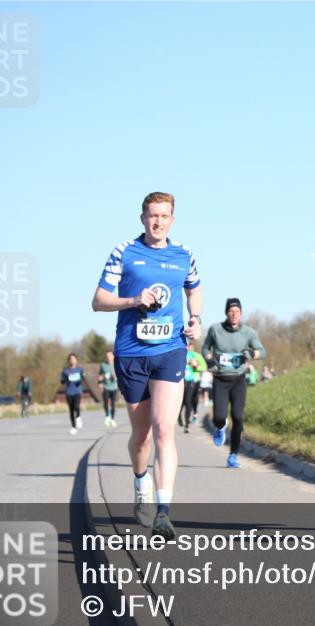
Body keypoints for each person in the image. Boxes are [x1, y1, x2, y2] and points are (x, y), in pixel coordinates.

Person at [92, 191, 203, 541]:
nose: (158, 222)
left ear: (172, 219)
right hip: (132, 353)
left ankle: (164, 512)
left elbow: (194, 289)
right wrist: (133, 299)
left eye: (164, 216)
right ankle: (141, 481)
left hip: (170, 350)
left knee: (164, 430)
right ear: (142, 218)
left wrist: (196, 318)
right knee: (141, 437)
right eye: (152, 216)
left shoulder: (184, 255)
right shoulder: (124, 252)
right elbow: (98, 300)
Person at [202, 298, 266, 468]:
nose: (234, 314)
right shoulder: (215, 330)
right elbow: (205, 349)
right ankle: (220, 427)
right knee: (219, 417)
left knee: (238, 418)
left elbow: (262, 351)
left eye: (237, 311)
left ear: (241, 313)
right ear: (226, 313)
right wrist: (209, 361)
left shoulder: (248, 332)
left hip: (238, 380)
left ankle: (233, 455)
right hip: (221, 379)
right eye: (231, 311)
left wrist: (252, 354)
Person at [59, 354, 96, 434]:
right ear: (68, 361)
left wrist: (83, 376)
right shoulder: (65, 371)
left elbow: (83, 378)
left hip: (77, 391)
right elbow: (62, 381)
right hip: (69, 391)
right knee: (71, 410)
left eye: (74, 359)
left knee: (76, 406)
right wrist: (63, 379)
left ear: (76, 360)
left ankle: (78, 417)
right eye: (71, 359)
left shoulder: (80, 370)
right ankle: (73, 427)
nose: (72, 360)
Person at [181, 341, 206, 433]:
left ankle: (194, 413)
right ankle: (183, 419)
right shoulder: (182, 354)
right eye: (187, 346)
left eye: (190, 347)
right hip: (184, 381)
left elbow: (203, 366)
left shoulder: (197, 356)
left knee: (194, 399)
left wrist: (196, 367)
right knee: (185, 401)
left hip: (195, 381)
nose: (189, 348)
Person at [98, 351, 119, 428]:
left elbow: (120, 375)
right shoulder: (103, 365)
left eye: (110, 356)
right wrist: (100, 383)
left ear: (113, 357)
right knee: (106, 402)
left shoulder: (116, 365)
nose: (108, 358)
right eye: (107, 357)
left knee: (113, 403)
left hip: (114, 387)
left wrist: (115, 376)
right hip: (105, 386)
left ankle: (112, 419)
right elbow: (99, 376)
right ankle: (107, 416)